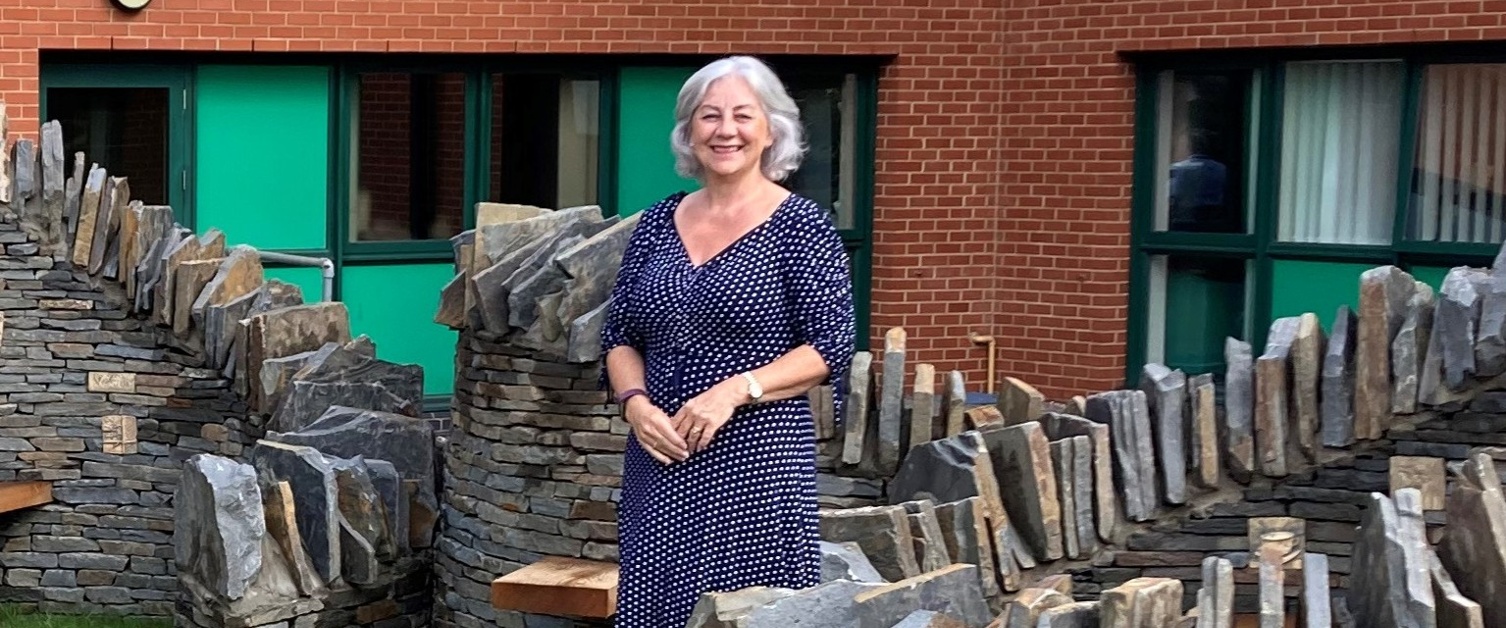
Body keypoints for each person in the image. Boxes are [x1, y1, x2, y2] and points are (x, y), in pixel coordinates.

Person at [599, 55, 857, 627]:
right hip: (661, 459)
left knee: (749, 614)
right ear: (689, 130)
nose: (726, 130)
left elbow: (829, 346)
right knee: (654, 609)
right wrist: (635, 405)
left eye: (744, 115)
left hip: (757, 468)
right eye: (709, 116)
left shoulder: (802, 227)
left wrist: (734, 391)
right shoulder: (658, 222)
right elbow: (618, 335)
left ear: (771, 130)